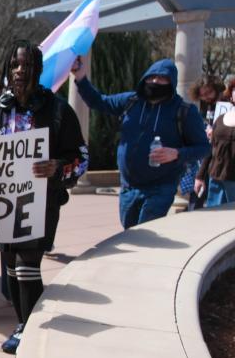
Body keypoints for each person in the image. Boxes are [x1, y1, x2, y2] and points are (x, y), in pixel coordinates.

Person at [0, 41, 86, 355]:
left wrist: (58, 167)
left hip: (41, 202)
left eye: (26, 65)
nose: (20, 71)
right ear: (7, 70)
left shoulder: (56, 110)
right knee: (10, 269)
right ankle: (24, 323)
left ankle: (30, 330)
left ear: (38, 69)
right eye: (14, 65)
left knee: (27, 267)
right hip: (3, 204)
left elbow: (80, 157)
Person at [71, 56, 209, 229]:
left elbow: (204, 148)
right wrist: (81, 77)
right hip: (129, 186)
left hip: (161, 188)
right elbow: (99, 101)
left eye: (162, 78)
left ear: (171, 82)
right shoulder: (131, 101)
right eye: (152, 77)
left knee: (145, 234)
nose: (155, 81)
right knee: (129, 233)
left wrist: (176, 154)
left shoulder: (185, 111)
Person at [195, 78, 235, 207]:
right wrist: (200, 176)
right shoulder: (221, 118)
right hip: (216, 178)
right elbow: (213, 148)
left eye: (208, 93)